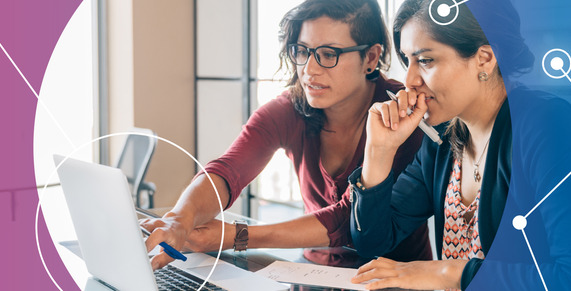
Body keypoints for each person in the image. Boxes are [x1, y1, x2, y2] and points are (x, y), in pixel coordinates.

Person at [141, 0, 432, 271]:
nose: (309, 69)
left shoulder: (402, 115)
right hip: (311, 273)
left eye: (328, 54)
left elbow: (347, 221)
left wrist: (236, 236)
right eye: (302, 50)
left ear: (371, 57)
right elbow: (229, 169)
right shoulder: (290, 108)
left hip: (395, 278)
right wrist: (180, 219)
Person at [349, 0, 571, 290]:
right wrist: (378, 151)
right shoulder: (443, 138)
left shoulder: (549, 127)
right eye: (407, 61)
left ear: (485, 58)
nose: (409, 81)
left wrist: (449, 274)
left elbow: (564, 276)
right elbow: (372, 240)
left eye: (425, 60)